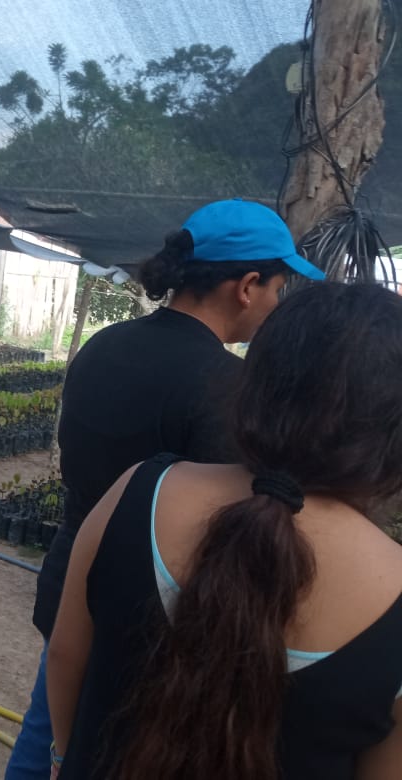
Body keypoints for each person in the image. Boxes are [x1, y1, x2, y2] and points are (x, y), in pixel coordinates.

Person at [5, 198, 326, 779]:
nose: (276, 305)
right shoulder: (226, 387)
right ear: (247, 287)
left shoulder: (104, 345)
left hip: (71, 581)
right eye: (278, 290)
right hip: (153, 620)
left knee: (50, 730)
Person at [47, 282, 402, 779]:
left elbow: (65, 656)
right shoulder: (392, 585)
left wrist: (62, 760)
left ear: (256, 382)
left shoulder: (141, 490)